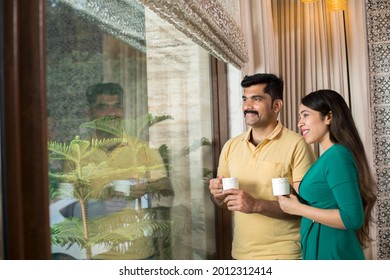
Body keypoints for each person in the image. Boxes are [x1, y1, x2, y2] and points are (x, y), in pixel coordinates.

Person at [61, 82, 174, 259]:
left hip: (139, 255)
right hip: (92, 257)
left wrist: (145, 188)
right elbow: (64, 204)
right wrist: (99, 206)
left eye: (117, 106)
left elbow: (166, 187)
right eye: (103, 107)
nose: (112, 113)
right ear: (90, 113)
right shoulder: (76, 153)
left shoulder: (143, 149)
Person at [208, 73, 316, 260]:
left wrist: (256, 204)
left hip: (285, 257)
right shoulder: (231, 146)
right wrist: (217, 194)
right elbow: (223, 202)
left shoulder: (298, 145)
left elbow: (308, 208)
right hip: (241, 256)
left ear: (276, 105)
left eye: (256, 99)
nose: (247, 106)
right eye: (245, 99)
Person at [278, 89, 377, 260]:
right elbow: (324, 201)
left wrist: (297, 208)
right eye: (300, 116)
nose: (300, 123)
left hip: (335, 255)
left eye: (305, 115)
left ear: (329, 117)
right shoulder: (329, 157)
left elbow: (352, 218)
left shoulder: (337, 156)